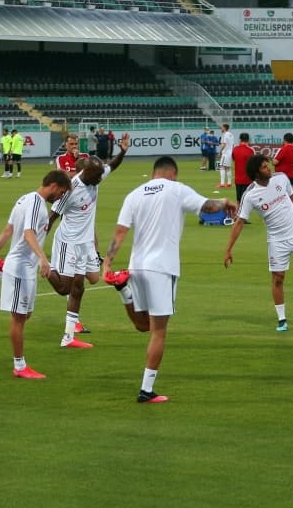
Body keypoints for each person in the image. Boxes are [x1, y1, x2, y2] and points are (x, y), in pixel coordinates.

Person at [102, 156, 237, 403]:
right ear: (172, 173)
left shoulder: (134, 194)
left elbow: (121, 232)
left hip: (137, 267)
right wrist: (225, 201)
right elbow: (207, 206)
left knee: (143, 325)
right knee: (159, 331)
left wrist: (107, 262)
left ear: (154, 172)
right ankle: (146, 390)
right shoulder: (176, 189)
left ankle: (123, 289)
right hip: (162, 268)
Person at [224, 154, 293, 332]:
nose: (269, 168)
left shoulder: (281, 178)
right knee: (278, 278)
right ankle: (282, 320)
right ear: (256, 173)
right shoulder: (250, 195)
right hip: (277, 240)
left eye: (267, 165)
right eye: (264, 167)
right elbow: (239, 222)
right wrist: (228, 250)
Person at [47, 135, 130, 349]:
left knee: (91, 280)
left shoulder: (96, 173)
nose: (101, 181)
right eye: (98, 177)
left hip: (85, 243)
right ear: (87, 173)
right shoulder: (71, 189)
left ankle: (69, 337)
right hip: (68, 242)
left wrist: (122, 151)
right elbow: (52, 216)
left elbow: (113, 165)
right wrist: (37, 248)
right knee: (68, 289)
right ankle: (47, 269)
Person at [0, 170, 73, 379]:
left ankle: (19, 364)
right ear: (53, 185)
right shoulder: (36, 203)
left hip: (24, 267)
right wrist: (43, 259)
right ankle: (20, 366)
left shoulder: (24, 199)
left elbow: (9, 229)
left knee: (25, 314)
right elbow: (27, 233)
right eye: (61, 192)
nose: (60, 197)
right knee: (19, 317)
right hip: (20, 266)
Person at [232, 132, 256, 203]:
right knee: (246, 201)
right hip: (247, 179)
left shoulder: (235, 149)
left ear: (240, 139)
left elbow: (234, 159)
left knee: (238, 200)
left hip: (237, 178)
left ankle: (236, 213)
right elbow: (254, 164)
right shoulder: (250, 150)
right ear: (248, 140)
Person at [218, 123, 234, 188]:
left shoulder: (225, 135)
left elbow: (224, 144)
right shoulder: (231, 134)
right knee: (228, 168)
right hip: (230, 153)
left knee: (222, 167)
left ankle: (222, 184)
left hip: (226, 153)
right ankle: (229, 183)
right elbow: (232, 145)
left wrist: (220, 151)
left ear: (224, 128)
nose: (221, 128)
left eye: (222, 127)